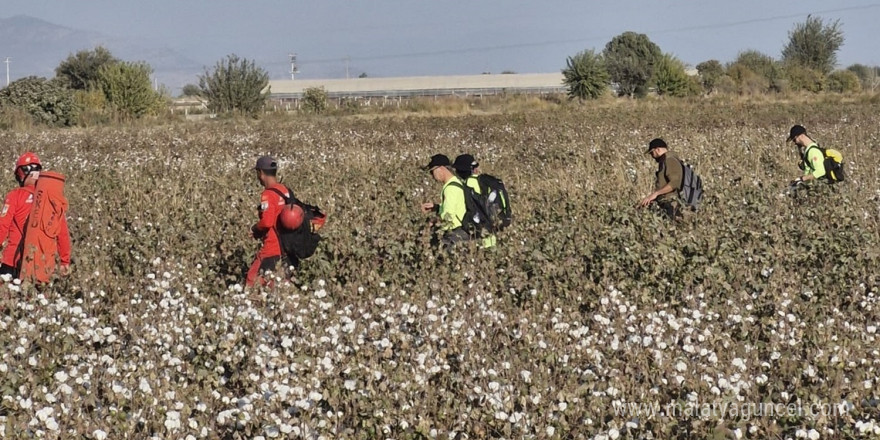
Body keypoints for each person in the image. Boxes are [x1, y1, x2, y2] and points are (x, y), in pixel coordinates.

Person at [0, 152, 71, 280]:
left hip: (12, 262)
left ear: (21, 174)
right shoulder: (51, 199)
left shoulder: (15, 195)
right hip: (40, 265)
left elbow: (2, 226)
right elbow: (62, 233)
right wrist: (65, 261)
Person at [247, 156, 293, 287]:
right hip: (287, 249)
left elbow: (267, 222)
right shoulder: (285, 191)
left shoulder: (267, 195)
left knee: (252, 283)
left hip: (271, 249)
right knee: (277, 287)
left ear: (260, 173)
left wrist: (254, 228)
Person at [420, 154, 483, 247]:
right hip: (464, 232)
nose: (432, 176)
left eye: (432, 172)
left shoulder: (451, 188)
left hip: (456, 234)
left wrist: (431, 223)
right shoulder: (457, 182)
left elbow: (448, 217)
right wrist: (437, 207)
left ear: (440, 169)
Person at [453, 154, 497, 247]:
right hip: (490, 232)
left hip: (480, 233)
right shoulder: (483, 180)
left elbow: (473, 206)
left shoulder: (470, 183)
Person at [639, 138, 684, 220]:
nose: (652, 156)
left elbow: (675, 183)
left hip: (672, 204)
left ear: (658, 150)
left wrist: (656, 194)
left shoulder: (670, 160)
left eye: (652, 153)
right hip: (668, 203)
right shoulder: (666, 160)